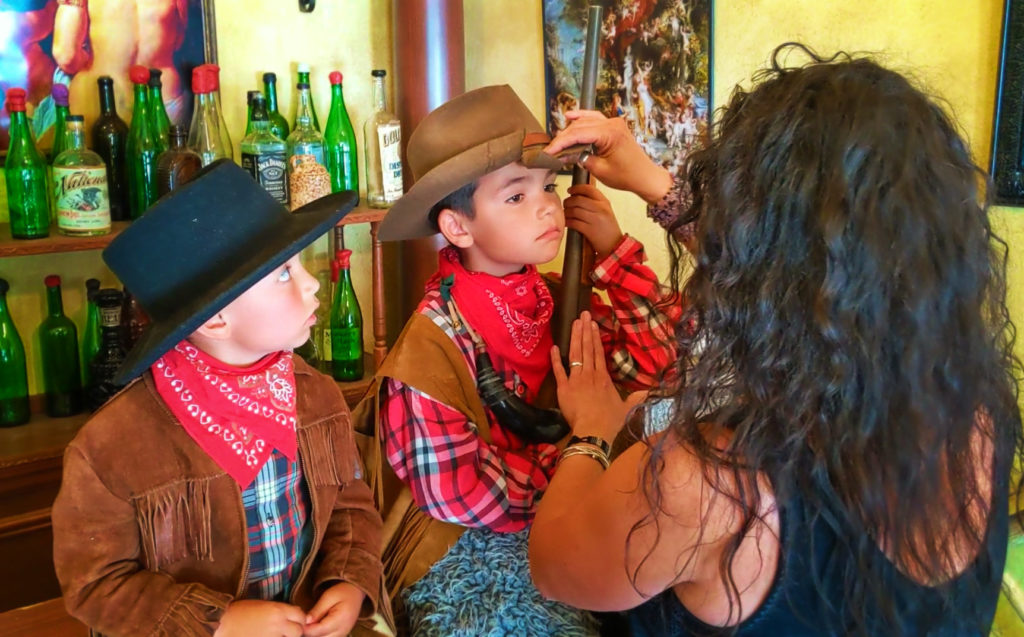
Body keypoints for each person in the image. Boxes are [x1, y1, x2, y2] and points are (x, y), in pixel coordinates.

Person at [529, 43, 1023, 636]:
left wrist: (593, 431)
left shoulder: (707, 486)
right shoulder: (977, 409)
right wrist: (649, 180)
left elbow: (554, 566)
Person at [363, 84, 680, 634]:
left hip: (572, 505)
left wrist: (613, 251)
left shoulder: (558, 297)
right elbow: (459, 491)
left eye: (549, 187)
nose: (547, 207)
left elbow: (657, 362)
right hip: (462, 548)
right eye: (515, 196)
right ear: (457, 226)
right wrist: (585, 450)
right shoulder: (430, 345)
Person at [51, 160, 390, 637]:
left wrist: (349, 581)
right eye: (283, 274)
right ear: (214, 321)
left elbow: (350, 506)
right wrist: (219, 622)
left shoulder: (317, 397)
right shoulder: (109, 449)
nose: (312, 283)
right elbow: (96, 585)